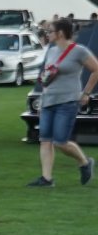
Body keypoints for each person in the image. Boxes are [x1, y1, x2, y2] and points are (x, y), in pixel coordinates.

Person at [28, 17, 98, 187]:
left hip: (67, 102)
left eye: (50, 31)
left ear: (60, 33)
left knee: (60, 141)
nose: (47, 34)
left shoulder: (79, 51)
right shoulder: (51, 51)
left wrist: (86, 93)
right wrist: (42, 101)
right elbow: (47, 78)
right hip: (48, 101)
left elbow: (96, 69)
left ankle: (85, 162)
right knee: (45, 139)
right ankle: (46, 179)